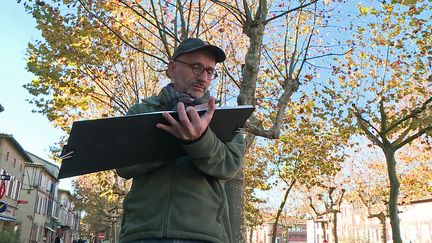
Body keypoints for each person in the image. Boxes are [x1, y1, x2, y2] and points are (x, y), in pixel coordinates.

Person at [116, 38, 245, 243]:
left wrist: (199, 140)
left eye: (210, 71)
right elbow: (123, 166)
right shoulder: (141, 112)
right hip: (142, 234)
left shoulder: (224, 119)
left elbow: (230, 166)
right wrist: (174, 141)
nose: (203, 77)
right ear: (172, 69)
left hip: (204, 236)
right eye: (196, 67)